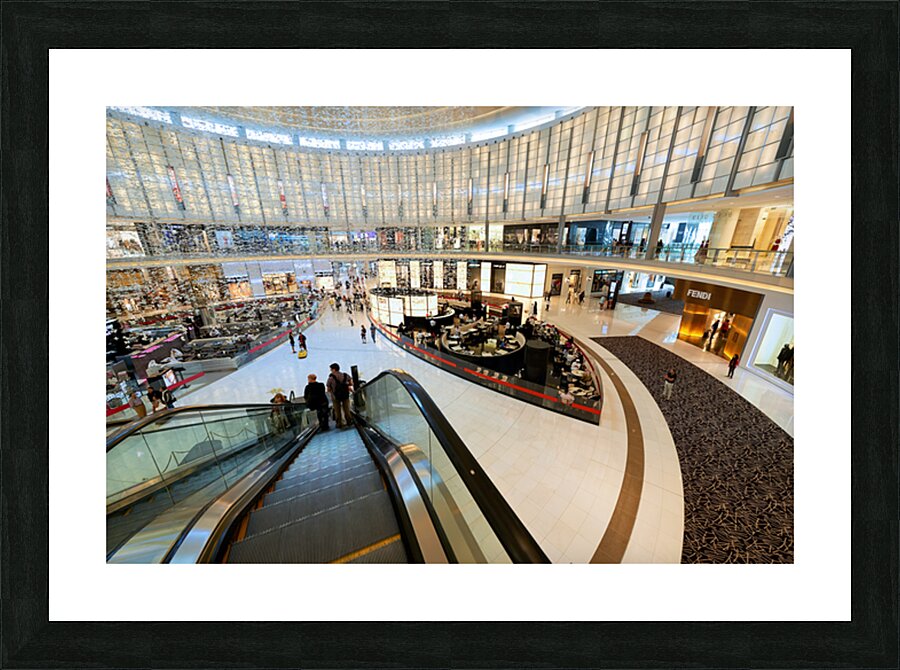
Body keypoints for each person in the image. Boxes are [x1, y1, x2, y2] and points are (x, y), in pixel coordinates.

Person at [326, 363, 353, 429]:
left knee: (337, 410)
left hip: (335, 396)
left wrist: (333, 389)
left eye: (331, 369)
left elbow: (328, 389)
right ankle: (349, 421)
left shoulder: (330, 378)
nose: (331, 370)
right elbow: (351, 383)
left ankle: (339, 424)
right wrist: (346, 385)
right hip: (345, 394)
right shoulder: (345, 375)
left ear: (334, 369)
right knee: (346, 408)